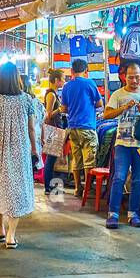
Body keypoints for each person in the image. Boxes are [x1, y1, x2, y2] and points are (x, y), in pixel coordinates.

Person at [0, 62, 42, 249]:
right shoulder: (26, 99)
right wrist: (35, 150)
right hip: (20, 150)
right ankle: (11, 236)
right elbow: (32, 128)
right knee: (15, 188)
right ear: (17, 77)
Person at [101, 61, 140, 229]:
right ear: (124, 77)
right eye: (131, 77)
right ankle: (113, 214)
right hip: (122, 143)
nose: (134, 81)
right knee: (119, 177)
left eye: (137, 77)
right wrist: (123, 108)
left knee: (138, 179)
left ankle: (133, 214)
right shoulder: (118, 94)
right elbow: (106, 114)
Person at [61, 59, 103, 195]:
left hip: (72, 127)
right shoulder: (90, 83)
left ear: (72, 71)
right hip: (87, 126)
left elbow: (64, 108)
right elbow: (99, 104)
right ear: (86, 71)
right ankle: (87, 189)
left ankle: (78, 188)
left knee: (76, 158)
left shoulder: (67, 86)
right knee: (89, 159)